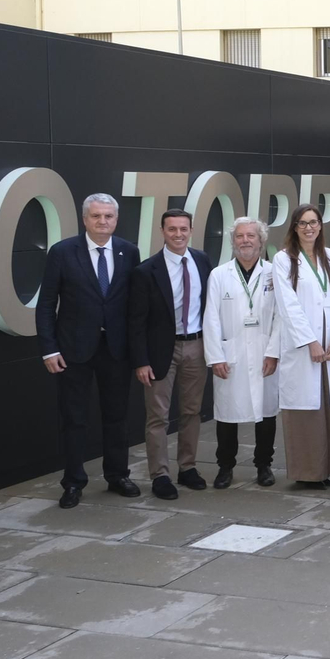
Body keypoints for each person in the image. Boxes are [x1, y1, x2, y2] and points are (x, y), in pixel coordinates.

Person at [37, 193, 142, 508]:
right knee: (74, 419)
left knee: (117, 416)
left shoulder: (128, 251)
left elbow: (134, 306)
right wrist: (48, 349)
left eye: (108, 216)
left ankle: (117, 475)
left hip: (115, 350)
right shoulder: (63, 252)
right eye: (96, 216)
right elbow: (45, 305)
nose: (103, 221)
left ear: (116, 219)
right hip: (73, 351)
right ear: (85, 219)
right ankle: (73, 483)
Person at [127, 208, 213, 500]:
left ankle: (187, 468)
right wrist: (140, 360)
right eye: (172, 229)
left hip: (196, 346)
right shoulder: (145, 271)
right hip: (159, 352)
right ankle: (160, 475)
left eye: (183, 229)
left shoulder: (202, 261)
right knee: (158, 417)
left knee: (191, 411)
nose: (178, 234)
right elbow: (135, 321)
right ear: (162, 232)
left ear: (191, 230)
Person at [271, 204, 330, 488]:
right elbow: (288, 305)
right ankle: (309, 473)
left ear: (321, 226)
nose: (309, 228)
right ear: (294, 227)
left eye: (314, 222)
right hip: (304, 346)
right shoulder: (284, 260)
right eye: (303, 223)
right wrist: (309, 341)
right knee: (306, 410)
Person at [204, 217, 282, 489]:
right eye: (240, 236)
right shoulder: (219, 274)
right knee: (227, 414)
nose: (245, 240)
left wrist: (273, 353)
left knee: (267, 413)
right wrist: (215, 356)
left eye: (251, 236)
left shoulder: (274, 273)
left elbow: (280, 318)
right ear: (232, 241)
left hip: (264, 353)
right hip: (230, 353)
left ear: (261, 241)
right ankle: (225, 467)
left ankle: (264, 464)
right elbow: (211, 318)